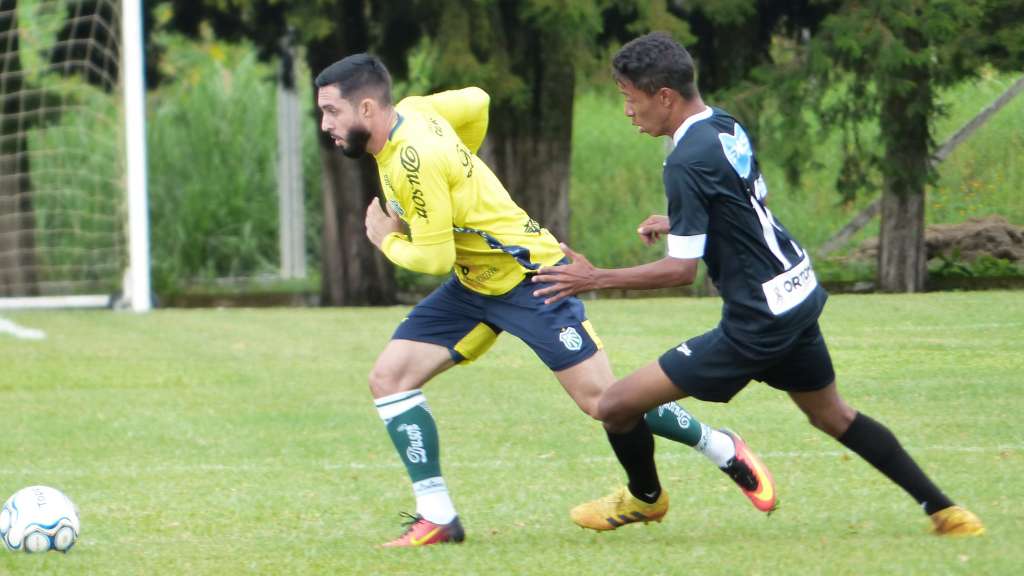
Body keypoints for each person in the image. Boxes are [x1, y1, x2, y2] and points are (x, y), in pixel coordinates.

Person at [315, 53, 779, 547]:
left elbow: (433, 257)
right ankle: (438, 516)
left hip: (533, 279)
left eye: (332, 112)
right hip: (474, 284)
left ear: (367, 108)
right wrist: (461, 174)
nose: (326, 125)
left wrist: (386, 237)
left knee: (604, 402)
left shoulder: (415, 161)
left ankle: (720, 446)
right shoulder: (416, 110)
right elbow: (477, 101)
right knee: (389, 378)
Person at [532, 32, 985, 537]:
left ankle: (645, 499)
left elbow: (680, 271)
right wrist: (681, 221)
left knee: (615, 406)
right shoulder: (723, 125)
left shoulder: (684, 161)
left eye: (629, 97)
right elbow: (743, 202)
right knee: (833, 416)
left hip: (757, 322)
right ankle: (947, 512)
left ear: (664, 96)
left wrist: (595, 277)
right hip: (795, 293)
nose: (627, 111)